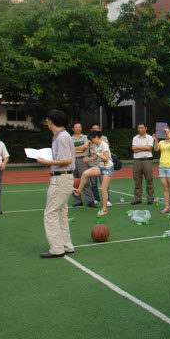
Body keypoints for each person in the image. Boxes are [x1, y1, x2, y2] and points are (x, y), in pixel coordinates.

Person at [37, 110, 75, 258]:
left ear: (51, 121)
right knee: (60, 213)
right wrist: (52, 171)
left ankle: (57, 248)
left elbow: (67, 160)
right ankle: (66, 245)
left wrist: (47, 162)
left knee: (50, 213)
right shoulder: (61, 136)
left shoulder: (62, 137)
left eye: (47, 120)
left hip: (62, 178)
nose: (47, 122)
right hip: (61, 177)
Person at [74, 130, 114, 214]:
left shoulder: (104, 145)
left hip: (108, 167)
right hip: (101, 166)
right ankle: (79, 190)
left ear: (96, 137)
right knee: (85, 173)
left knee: (103, 189)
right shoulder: (96, 145)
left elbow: (106, 158)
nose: (91, 141)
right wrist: (90, 159)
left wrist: (96, 154)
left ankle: (104, 209)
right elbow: (97, 157)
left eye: (91, 139)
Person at [155, 125, 170, 215]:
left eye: (168, 131)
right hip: (162, 166)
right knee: (165, 188)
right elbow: (156, 149)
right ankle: (167, 207)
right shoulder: (161, 142)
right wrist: (156, 140)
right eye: (165, 132)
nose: (166, 133)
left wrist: (169, 135)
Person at [131, 123, 155, 205]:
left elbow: (149, 148)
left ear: (146, 128)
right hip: (137, 160)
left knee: (149, 179)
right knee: (137, 180)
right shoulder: (135, 138)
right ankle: (138, 199)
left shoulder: (150, 137)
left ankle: (150, 198)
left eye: (142, 128)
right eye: (139, 128)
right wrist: (145, 148)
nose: (140, 129)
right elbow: (134, 149)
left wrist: (138, 147)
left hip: (147, 160)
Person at [85, 123, 108, 207]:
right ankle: (97, 199)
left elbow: (106, 155)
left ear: (99, 130)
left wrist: (100, 138)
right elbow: (91, 152)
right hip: (93, 164)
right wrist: (89, 159)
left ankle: (107, 201)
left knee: (104, 183)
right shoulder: (91, 140)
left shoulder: (103, 140)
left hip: (104, 164)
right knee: (94, 183)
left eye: (97, 129)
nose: (95, 130)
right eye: (93, 129)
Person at [71, 122, 93, 208]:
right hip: (73, 161)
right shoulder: (70, 138)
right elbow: (69, 149)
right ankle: (78, 201)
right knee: (74, 181)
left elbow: (85, 147)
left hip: (83, 160)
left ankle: (89, 201)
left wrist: (75, 149)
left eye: (80, 127)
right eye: (76, 127)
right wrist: (79, 149)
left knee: (85, 181)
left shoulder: (85, 137)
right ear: (73, 129)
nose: (78, 128)